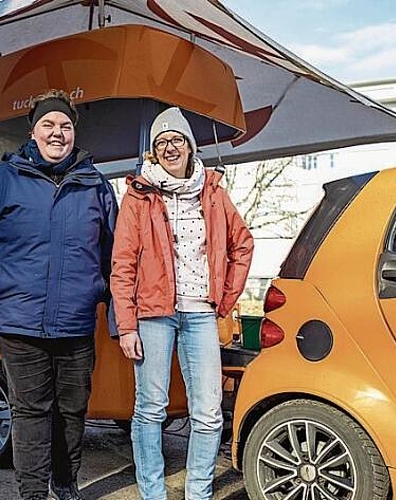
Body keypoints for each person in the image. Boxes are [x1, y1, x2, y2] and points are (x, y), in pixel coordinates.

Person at [0, 89, 118, 500]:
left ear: (74, 132)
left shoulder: (96, 185)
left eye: (65, 126)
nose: (57, 133)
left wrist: (119, 319)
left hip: (77, 320)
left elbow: (117, 258)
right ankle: (32, 493)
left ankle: (65, 481)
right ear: (33, 130)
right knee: (31, 411)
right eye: (48, 124)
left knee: (73, 409)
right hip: (19, 322)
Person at [111, 107, 254, 500]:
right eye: (161, 143)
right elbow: (122, 264)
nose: (170, 147)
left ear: (190, 146)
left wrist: (224, 298)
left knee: (208, 413)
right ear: (154, 153)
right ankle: (153, 494)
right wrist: (126, 326)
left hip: (200, 313)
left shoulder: (213, 193)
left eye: (177, 140)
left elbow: (243, 244)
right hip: (153, 315)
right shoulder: (138, 197)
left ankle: (199, 493)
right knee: (150, 410)